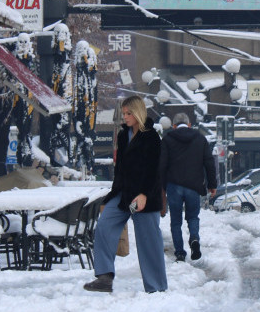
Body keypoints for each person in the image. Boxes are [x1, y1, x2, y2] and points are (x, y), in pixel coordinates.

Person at [84, 95, 167, 294]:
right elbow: (120, 169)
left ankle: (156, 288)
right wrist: (112, 195)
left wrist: (144, 194)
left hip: (146, 196)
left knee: (149, 241)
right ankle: (104, 277)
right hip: (123, 193)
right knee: (104, 227)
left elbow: (155, 170)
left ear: (138, 113)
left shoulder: (151, 137)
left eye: (129, 113)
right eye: (124, 113)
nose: (126, 117)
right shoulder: (123, 135)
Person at [160, 112, 217, 262]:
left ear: (173, 126)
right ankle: (194, 239)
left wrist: (161, 187)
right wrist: (212, 185)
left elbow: (162, 165)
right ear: (189, 125)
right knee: (193, 217)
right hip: (194, 185)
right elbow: (209, 163)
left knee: (176, 221)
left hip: (173, 185)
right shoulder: (200, 138)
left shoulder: (167, 139)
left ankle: (180, 253)